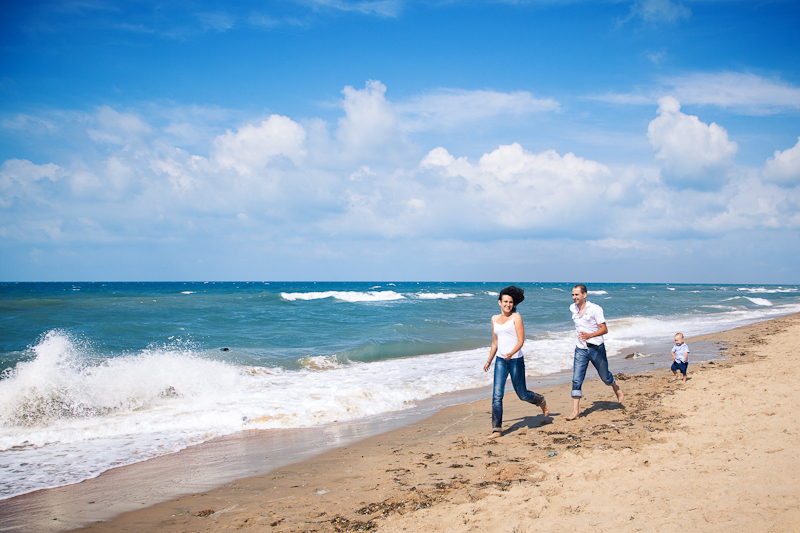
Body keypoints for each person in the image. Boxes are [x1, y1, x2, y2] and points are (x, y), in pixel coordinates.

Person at [483, 285, 549, 440]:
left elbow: (520, 341)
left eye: (511, 302)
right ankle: (497, 429)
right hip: (500, 361)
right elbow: (495, 342)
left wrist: (511, 353)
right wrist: (489, 360)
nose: (508, 304)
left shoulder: (516, 317)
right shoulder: (494, 319)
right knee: (497, 395)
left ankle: (540, 400)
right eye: (505, 301)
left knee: (523, 395)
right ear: (499, 302)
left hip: (516, 361)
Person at [566, 284, 624, 420]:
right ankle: (575, 411)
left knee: (605, 377)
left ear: (584, 295)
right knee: (576, 379)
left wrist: (589, 336)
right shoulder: (572, 308)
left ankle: (615, 387)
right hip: (580, 349)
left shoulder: (595, 309)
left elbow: (604, 329)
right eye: (573, 295)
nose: (574, 297)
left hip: (596, 348)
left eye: (577, 294)